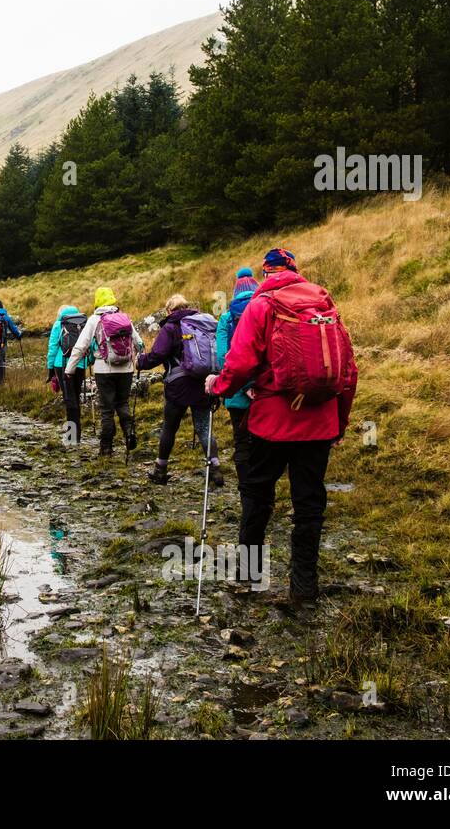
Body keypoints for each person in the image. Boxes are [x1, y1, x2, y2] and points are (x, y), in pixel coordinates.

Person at [205, 248, 358, 603]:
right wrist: (340, 422)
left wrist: (218, 386)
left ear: (266, 273)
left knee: (257, 494)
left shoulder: (262, 305)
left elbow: (240, 363)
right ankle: (304, 587)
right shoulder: (325, 305)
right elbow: (348, 372)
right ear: (295, 270)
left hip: (271, 422)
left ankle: (250, 575)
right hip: (320, 422)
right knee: (309, 503)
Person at [137, 295, 222, 486]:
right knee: (204, 428)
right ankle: (215, 469)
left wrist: (140, 362)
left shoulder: (170, 327)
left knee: (170, 427)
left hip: (178, 386)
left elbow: (157, 355)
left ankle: (160, 470)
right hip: (203, 383)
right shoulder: (202, 323)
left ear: (169, 310)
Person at [64, 287, 139, 457]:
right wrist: (137, 360)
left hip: (104, 369)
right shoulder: (124, 317)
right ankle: (129, 432)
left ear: (97, 301)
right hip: (126, 368)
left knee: (106, 409)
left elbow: (81, 346)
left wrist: (70, 369)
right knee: (123, 403)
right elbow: (139, 342)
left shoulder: (94, 320)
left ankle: (106, 447)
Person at [216, 268, 259, 488]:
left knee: (241, 442)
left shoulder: (226, 317)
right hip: (265, 392)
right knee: (263, 443)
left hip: (236, 393)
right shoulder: (268, 310)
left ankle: (246, 490)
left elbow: (223, 357)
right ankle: (263, 491)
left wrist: (238, 385)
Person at [47, 304, 92, 444]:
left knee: (69, 399)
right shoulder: (84, 323)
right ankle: (76, 435)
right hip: (79, 364)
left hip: (62, 364)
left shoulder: (58, 324)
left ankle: (72, 437)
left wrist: (50, 369)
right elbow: (91, 344)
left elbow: (53, 347)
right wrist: (88, 361)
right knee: (76, 397)